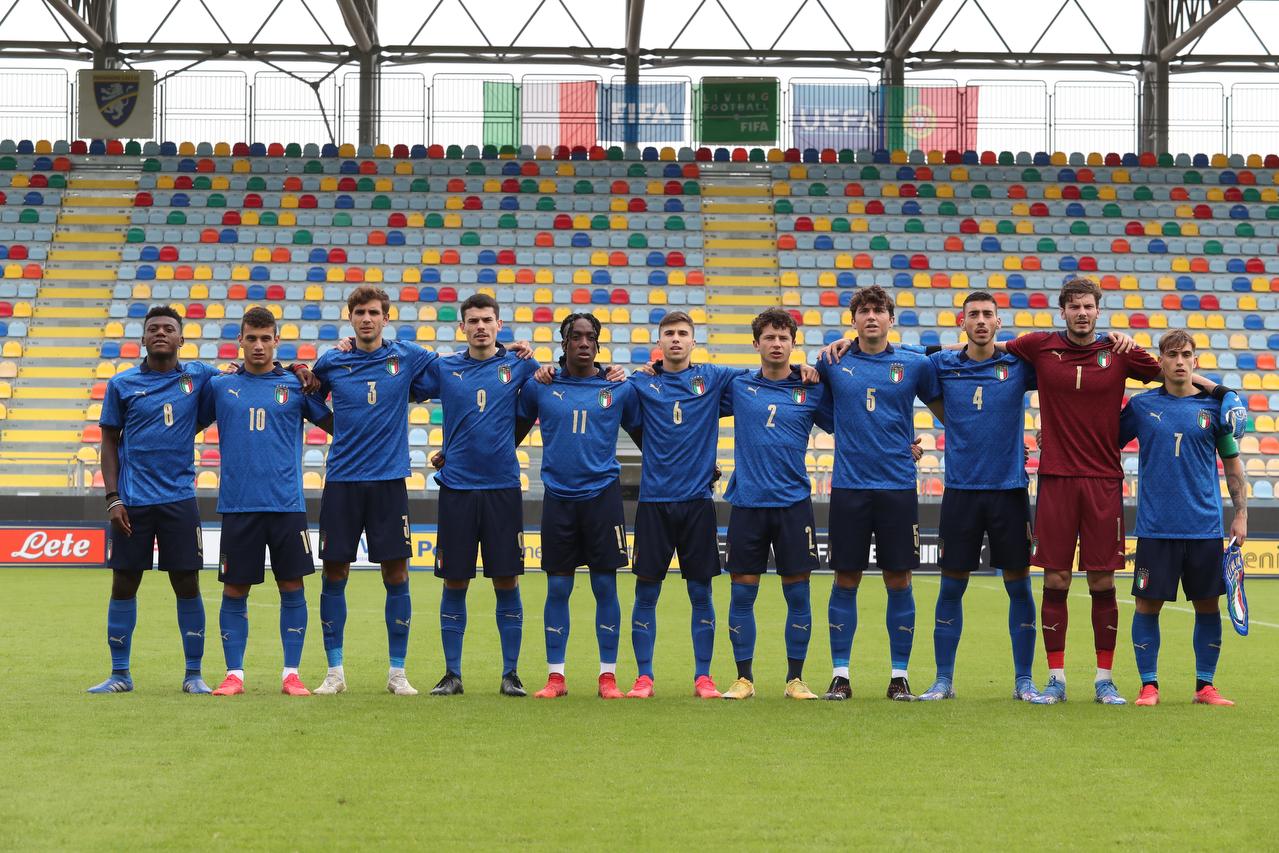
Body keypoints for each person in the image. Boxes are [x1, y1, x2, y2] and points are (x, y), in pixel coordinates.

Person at [89, 306, 314, 694]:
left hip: (180, 498)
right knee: (124, 583)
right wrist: (113, 498)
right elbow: (108, 441)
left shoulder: (202, 378)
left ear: (182, 339)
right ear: (143, 338)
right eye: (153, 329)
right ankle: (119, 674)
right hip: (133, 499)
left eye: (169, 329)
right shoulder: (121, 384)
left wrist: (296, 368)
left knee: (187, 584)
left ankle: (193, 674)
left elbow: (249, 379)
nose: (161, 333)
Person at [996, 278, 1171, 705]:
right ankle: (1055, 679)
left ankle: (1104, 679)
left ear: (1098, 310)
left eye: (1088, 306)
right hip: (1056, 479)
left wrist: (1132, 344)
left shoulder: (1117, 352)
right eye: (1074, 306)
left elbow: (1164, 372)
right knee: (1055, 578)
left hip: (1103, 481)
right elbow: (987, 348)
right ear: (1063, 311)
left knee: (1101, 580)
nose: (1081, 312)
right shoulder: (1039, 345)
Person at [309, 286, 441, 696]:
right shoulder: (332, 360)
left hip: (388, 483)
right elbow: (307, 398)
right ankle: (335, 672)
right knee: (335, 572)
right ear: (350, 318)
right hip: (342, 482)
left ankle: (397, 673)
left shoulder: (406, 355)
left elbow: (456, 372)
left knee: (396, 573)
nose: (366, 319)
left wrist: (510, 349)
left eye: (373, 312)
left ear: (386, 317)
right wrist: (338, 427)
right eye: (359, 312)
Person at [815, 285, 942, 701]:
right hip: (849, 486)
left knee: (898, 579)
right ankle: (840, 675)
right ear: (853, 320)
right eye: (864, 311)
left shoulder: (913, 363)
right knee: (845, 578)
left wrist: (916, 442)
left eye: (879, 310)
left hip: (897, 487)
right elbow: (820, 409)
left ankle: (899, 675)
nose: (872, 316)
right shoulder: (833, 361)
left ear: (891, 318)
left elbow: (946, 402)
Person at [197, 307, 333, 696]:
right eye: (251, 338)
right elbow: (189, 421)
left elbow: (336, 425)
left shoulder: (295, 385)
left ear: (276, 341)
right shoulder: (220, 387)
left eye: (265, 338)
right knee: (235, 590)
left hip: (286, 505)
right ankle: (234, 675)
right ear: (239, 341)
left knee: (292, 587)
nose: (258, 345)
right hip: (239, 505)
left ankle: (291, 674)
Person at [916, 292, 1042, 702]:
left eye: (989, 315)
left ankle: (1024, 680)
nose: (982, 321)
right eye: (974, 315)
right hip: (961, 493)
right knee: (951, 587)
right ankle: (943, 680)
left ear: (999, 323)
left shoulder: (1019, 365)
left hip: (1009, 491)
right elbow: (897, 354)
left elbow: (1066, 369)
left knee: (1019, 587)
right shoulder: (941, 365)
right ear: (962, 321)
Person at [514, 314, 643, 699]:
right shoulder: (540, 387)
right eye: (576, 337)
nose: (583, 343)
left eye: (591, 337)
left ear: (599, 344)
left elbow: (650, 439)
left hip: (603, 498)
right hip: (558, 498)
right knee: (557, 588)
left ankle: (608, 677)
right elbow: (509, 435)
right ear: (564, 342)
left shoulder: (619, 387)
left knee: (605, 585)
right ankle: (556, 677)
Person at [420, 294, 539, 697]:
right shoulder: (445, 367)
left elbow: (561, 384)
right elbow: (396, 377)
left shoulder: (520, 364)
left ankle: (511, 674)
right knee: (455, 581)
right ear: (462, 328)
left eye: (487, 320)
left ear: (499, 325)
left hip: (503, 487)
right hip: (457, 489)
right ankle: (452, 674)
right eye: (473, 321)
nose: (481, 327)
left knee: (506, 581)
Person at [1119, 330, 1246, 706]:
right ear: (1160, 362)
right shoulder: (1141, 407)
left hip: (1204, 526)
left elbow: (1233, 462)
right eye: (1172, 354)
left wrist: (1240, 514)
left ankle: (1205, 686)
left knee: (1208, 605)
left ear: (1195, 361)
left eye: (1186, 354)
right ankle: (1149, 685)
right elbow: (1102, 441)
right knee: (1147, 606)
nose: (1179, 360)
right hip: (1156, 528)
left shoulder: (1214, 409)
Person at [719, 308, 832, 701]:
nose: (777, 344)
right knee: (741, 593)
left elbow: (851, 420)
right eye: (769, 337)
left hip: (793, 505)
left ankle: (795, 680)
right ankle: (743, 679)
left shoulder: (812, 387)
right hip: (748, 504)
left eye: (784, 338)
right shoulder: (737, 386)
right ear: (756, 344)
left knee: (798, 595)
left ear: (793, 344)